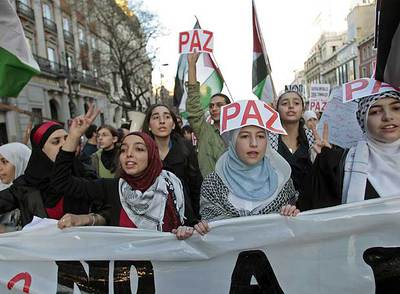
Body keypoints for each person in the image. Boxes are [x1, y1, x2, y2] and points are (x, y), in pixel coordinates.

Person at [53, 105, 205, 240]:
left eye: (139, 149)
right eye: (124, 149)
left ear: (152, 155)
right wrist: (73, 137)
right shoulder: (112, 188)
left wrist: (186, 230)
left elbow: (191, 223)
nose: (129, 154)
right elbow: (61, 182)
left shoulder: (174, 186)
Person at [0, 121, 103, 227]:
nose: (64, 144)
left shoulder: (85, 174)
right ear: (41, 150)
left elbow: (107, 212)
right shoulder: (25, 185)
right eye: (56, 142)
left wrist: (89, 219)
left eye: (67, 139)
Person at [308, 90, 400, 209]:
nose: (388, 117)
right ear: (363, 119)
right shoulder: (337, 165)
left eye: (396, 108)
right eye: (375, 111)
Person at [200, 123, 299, 222]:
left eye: (260, 136)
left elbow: (292, 231)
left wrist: (291, 215)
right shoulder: (213, 184)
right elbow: (211, 231)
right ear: (233, 140)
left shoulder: (282, 182)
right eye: (245, 136)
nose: (254, 143)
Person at [142, 104, 203, 219]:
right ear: (149, 125)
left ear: (174, 124)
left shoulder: (186, 148)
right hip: (151, 218)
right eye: (155, 117)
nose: (162, 121)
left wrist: (197, 218)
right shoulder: (142, 151)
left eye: (167, 117)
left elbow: (196, 187)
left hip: (184, 217)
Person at [269, 91, 316, 210]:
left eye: (296, 103)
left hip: (311, 206)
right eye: (285, 103)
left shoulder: (314, 138)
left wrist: (325, 155)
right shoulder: (268, 140)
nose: (291, 106)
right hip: (278, 209)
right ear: (277, 109)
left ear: (303, 109)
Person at [187, 52, 230, 177]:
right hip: (211, 192)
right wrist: (191, 65)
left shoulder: (238, 133)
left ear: (230, 107)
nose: (214, 109)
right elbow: (194, 106)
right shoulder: (204, 131)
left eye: (219, 105)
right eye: (211, 106)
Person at [0, 143, 31, 232]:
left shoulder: (33, 192)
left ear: (20, 161)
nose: (0, 168)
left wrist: (6, 231)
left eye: (4, 161)